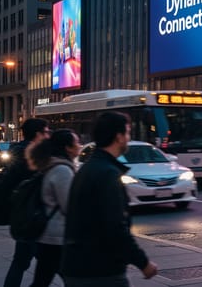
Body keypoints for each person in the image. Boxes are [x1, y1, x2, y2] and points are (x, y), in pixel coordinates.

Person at [61, 112, 158, 285]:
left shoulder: (88, 168)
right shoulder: (107, 173)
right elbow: (115, 227)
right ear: (119, 137)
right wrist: (143, 263)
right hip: (99, 270)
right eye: (127, 132)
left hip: (79, 264)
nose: (129, 138)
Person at [28, 129, 81, 287]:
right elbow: (69, 206)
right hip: (57, 237)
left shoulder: (53, 165)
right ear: (68, 148)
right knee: (74, 279)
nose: (80, 145)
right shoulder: (62, 170)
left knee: (42, 280)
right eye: (77, 142)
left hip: (49, 236)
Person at [2, 117, 50, 287]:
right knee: (48, 263)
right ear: (38, 134)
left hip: (22, 213)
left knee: (22, 261)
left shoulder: (17, 151)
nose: (48, 135)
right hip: (32, 215)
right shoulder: (32, 155)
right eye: (46, 131)